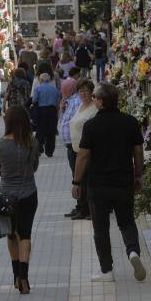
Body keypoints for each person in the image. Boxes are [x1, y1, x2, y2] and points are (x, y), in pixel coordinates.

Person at [72, 83, 147, 282]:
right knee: (127, 221)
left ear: (101, 102)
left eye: (96, 97)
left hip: (98, 184)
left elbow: (83, 156)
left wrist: (76, 181)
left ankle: (107, 270)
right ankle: (133, 252)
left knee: (101, 228)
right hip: (124, 181)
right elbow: (138, 152)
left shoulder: (91, 125)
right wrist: (138, 176)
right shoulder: (130, 122)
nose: (94, 100)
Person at [0, 106, 40, 294]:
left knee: (12, 235)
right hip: (29, 193)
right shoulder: (33, 143)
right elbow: (34, 166)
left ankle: (15, 275)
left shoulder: (0, 143)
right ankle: (24, 276)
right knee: (26, 234)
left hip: (7, 196)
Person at [68, 79, 98, 220]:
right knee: (80, 180)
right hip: (75, 150)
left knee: (89, 182)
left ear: (91, 92)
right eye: (80, 91)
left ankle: (92, 210)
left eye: (86, 90)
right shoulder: (80, 106)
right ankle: (83, 208)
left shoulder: (95, 108)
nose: (83, 93)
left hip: (88, 151)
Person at [58, 77, 82, 218]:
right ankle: (80, 205)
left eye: (64, 89)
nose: (62, 91)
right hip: (70, 146)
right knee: (75, 176)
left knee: (78, 177)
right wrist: (62, 109)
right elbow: (64, 120)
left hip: (75, 146)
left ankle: (82, 207)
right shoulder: (69, 101)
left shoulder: (76, 101)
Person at [32, 71, 60, 157]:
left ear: (41, 79)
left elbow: (34, 100)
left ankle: (39, 148)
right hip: (52, 111)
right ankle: (50, 151)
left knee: (40, 130)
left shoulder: (38, 88)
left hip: (42, 111)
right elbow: (57, 101)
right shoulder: (54, 88)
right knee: (51, 131)